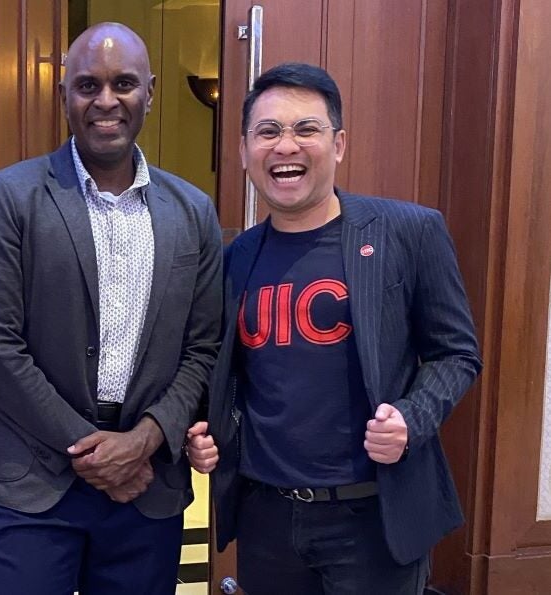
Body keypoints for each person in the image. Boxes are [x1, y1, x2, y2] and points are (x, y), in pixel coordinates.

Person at [186, 62, 483, 594]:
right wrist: (206, 434)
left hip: (372, 516)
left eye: (306, 129)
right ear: (244, 150)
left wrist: (411, 420)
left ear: (339, 144)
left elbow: (456, 353)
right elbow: (225, 372)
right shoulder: (237, 257)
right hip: (267, 518)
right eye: (269, 131)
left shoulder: (409, 231)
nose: (285, 146)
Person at [0, 22, 222, 595]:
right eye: (87, 85)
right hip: (31, 482)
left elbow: (203, 347)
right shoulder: (10, 197)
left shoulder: (194, 211)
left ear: (150, 92)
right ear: (64, 96)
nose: (106, 101)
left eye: (124, 83)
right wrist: (93, 451)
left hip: (148, 484)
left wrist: (144, 441)